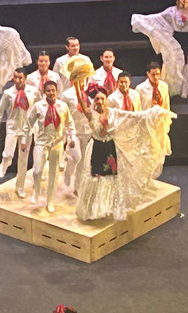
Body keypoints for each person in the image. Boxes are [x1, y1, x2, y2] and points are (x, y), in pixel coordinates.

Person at [72, 91, 174, 222]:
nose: (99, 101)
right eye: (97, 99)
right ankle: (91, 209)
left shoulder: (113, 112)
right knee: (94, 178)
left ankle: (107, 208)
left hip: (109, 148)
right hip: (96, 148)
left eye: (102, 98)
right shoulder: (90, 114)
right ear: (94, 101)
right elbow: (81, 100)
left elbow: (132, 116)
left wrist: (152, 113)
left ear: (106, 100)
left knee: (111, 178)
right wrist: (77, 85)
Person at [23, 81, 74, 212]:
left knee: (54, 173)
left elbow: (70, 124)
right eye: (48, 91)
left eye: (53, 90)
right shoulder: (38, 106)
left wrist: (71, 138)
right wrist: (24, 140)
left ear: (56, 91)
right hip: (42, 142)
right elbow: (28, 123)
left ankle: (50, 201)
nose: (51, 93)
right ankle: (36, 190)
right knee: (37, 170)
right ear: (44, 92)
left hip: (57, 142)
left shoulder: (63, 106)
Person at [0, 68, 34, 196]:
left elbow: (38, 108)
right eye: (15, 77)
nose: (18, 80)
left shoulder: (33, 91)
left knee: (23, 160)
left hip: (26, 129)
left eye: (20, 77)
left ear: (25, 78)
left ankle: (20, 186)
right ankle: (5, 162)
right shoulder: (8, 93)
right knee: (8, 153)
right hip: (13, 126)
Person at [59, 55, 95, 190]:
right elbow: (63, 115)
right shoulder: (67, 95)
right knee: (76, 157)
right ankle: (68, 171)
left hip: (87, 130)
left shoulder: (90, 92)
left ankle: (78, 186)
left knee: (84, 162)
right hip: (73, 131)